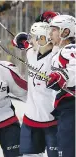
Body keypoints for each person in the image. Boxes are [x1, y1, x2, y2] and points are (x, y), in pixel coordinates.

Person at [12, 11, 58, 157]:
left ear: (42, 38)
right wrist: (19, 39)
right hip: (30, 119)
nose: (30, 40)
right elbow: (20, 41)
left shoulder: (58, 57)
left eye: (33, 37)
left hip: (53, 120)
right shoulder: (31, 52)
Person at [46, 14, 76, 157]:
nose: (50, 33)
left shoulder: (70, 49)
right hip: (66, 108)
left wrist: (62, 77)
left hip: (72, 107)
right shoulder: (60, 51)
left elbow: (73, 71)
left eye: (54, 29)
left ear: (65, 32)